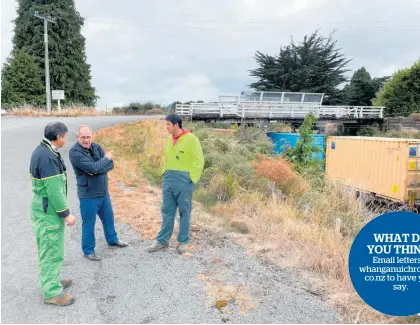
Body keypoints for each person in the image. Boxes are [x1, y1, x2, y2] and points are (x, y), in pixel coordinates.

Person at [29, 122, 76, 306]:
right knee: (50, 250)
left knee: (53, 247)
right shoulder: (47, 156)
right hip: (48, 210)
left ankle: (53, 280)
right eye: (65, 135)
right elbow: (54, 190)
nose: (66, 138)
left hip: (44, 207)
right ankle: (51, 292)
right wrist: (66, 214)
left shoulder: (42, 150)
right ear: (58, 136)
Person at [69, 125, 128, 261]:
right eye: (83, 137)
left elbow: (109, 165)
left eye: (88, 137)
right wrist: (104, 160)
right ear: (78, 137)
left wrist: (96, 169)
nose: (86, 140)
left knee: (109, 218)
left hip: (103, 191)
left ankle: (113, 240)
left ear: (92, 136)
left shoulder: (97, 147)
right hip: (88, 194)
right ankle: (88, 250)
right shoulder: (74, 152)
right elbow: (96, 166)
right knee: (89, 223)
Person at [149, 114, 204, 254]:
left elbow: (199, 160)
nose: (166, 127)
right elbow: (167, 158)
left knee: (184, 211)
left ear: (176, 125)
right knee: (167, 210)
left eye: (168, 124)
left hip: (184, 180)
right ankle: (162, 241)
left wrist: (192, 179)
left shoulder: (191, 139)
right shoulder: (168, 139)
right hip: (168, 179)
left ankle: (183, 241)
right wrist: (164, 173)